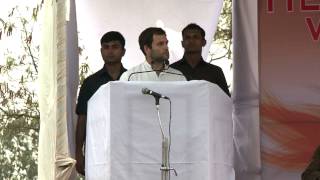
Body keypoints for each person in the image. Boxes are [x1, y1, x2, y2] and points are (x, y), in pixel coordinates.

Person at [75, 31, 127, 175]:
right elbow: (82, 119)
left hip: (127, 148)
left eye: (115, 47)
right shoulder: (90, 83)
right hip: (97, 148)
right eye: (106, 47)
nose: (110, 51)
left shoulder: (131, 79)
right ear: (101, 51)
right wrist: (78, 152)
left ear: (123, 51)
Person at [170, 23, 230, 97]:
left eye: (196, 37)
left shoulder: (215, 72)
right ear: (182, 43)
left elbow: (225, 102)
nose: (191, 41)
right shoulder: (171, 70)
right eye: (187, 38)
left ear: (204, 42)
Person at [120, 27, 186, 81]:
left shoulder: (179, 77)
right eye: (160, 44)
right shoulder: (130, 77)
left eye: (166, 43)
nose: (166, 47)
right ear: (147, 49)